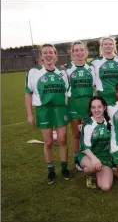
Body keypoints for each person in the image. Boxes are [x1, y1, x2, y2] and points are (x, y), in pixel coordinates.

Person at [25, 44, 70, 184]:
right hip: (44, 111)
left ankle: (64, 168)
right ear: (42, 56)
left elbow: (67, 92)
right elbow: (28, 93)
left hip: (60, 109)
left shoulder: (62, 73)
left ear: (55, 56)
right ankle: (51, 170)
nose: (49, 55)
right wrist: (30, 115)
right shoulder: (34, 72)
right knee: (48, 142)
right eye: (45, 53)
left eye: (51, 52)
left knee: (62, 139)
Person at [66, 41, 95, 171]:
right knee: (76, 134)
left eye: (81, 50)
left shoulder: (91, 67)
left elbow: (94, 86)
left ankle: (89, 157)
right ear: (72, 53)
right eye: (76, 50)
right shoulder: (67, 69)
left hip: (88, 105)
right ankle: (77, 159)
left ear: (85, 51)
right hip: (74, 105)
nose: (79, 53)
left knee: (88, 134)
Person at [78, 96, 113, 191]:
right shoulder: (88, 124)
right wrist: (94, 159)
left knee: (105, 187)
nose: (96, 110)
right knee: (91, 167)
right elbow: (85, 148)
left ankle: (99, 171)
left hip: (104, 157)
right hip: (88, 155)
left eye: (99, 107)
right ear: (90, 109)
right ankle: (90, 175)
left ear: (104, 107)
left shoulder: (109, 122)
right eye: (93, 107)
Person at [91, 36, 118, 106]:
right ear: (102, 46)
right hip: (103, 99)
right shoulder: (95, 62)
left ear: (114, 46)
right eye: (105, 44)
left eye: (110, 44)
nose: (108, 46)